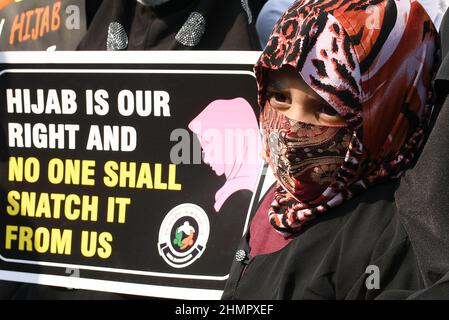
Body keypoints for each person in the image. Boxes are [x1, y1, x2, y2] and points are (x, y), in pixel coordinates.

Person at [222, 0, 449, 300]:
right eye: (279, 97)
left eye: (325, 109)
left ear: (386, 109)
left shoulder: (389, 243)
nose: (290, 130)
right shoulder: (285, 199)